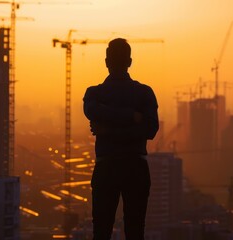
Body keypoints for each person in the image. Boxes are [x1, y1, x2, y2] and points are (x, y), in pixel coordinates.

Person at [83, 38, 159, 240]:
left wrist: (107, 130)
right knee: (135, 230)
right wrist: (131, 116)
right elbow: (149, 129)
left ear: (106, 61)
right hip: (136, 167)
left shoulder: (94, 94)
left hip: (106, 168)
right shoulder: (144, 94)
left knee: (101, 230)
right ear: (130, 62)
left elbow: (92, 111)